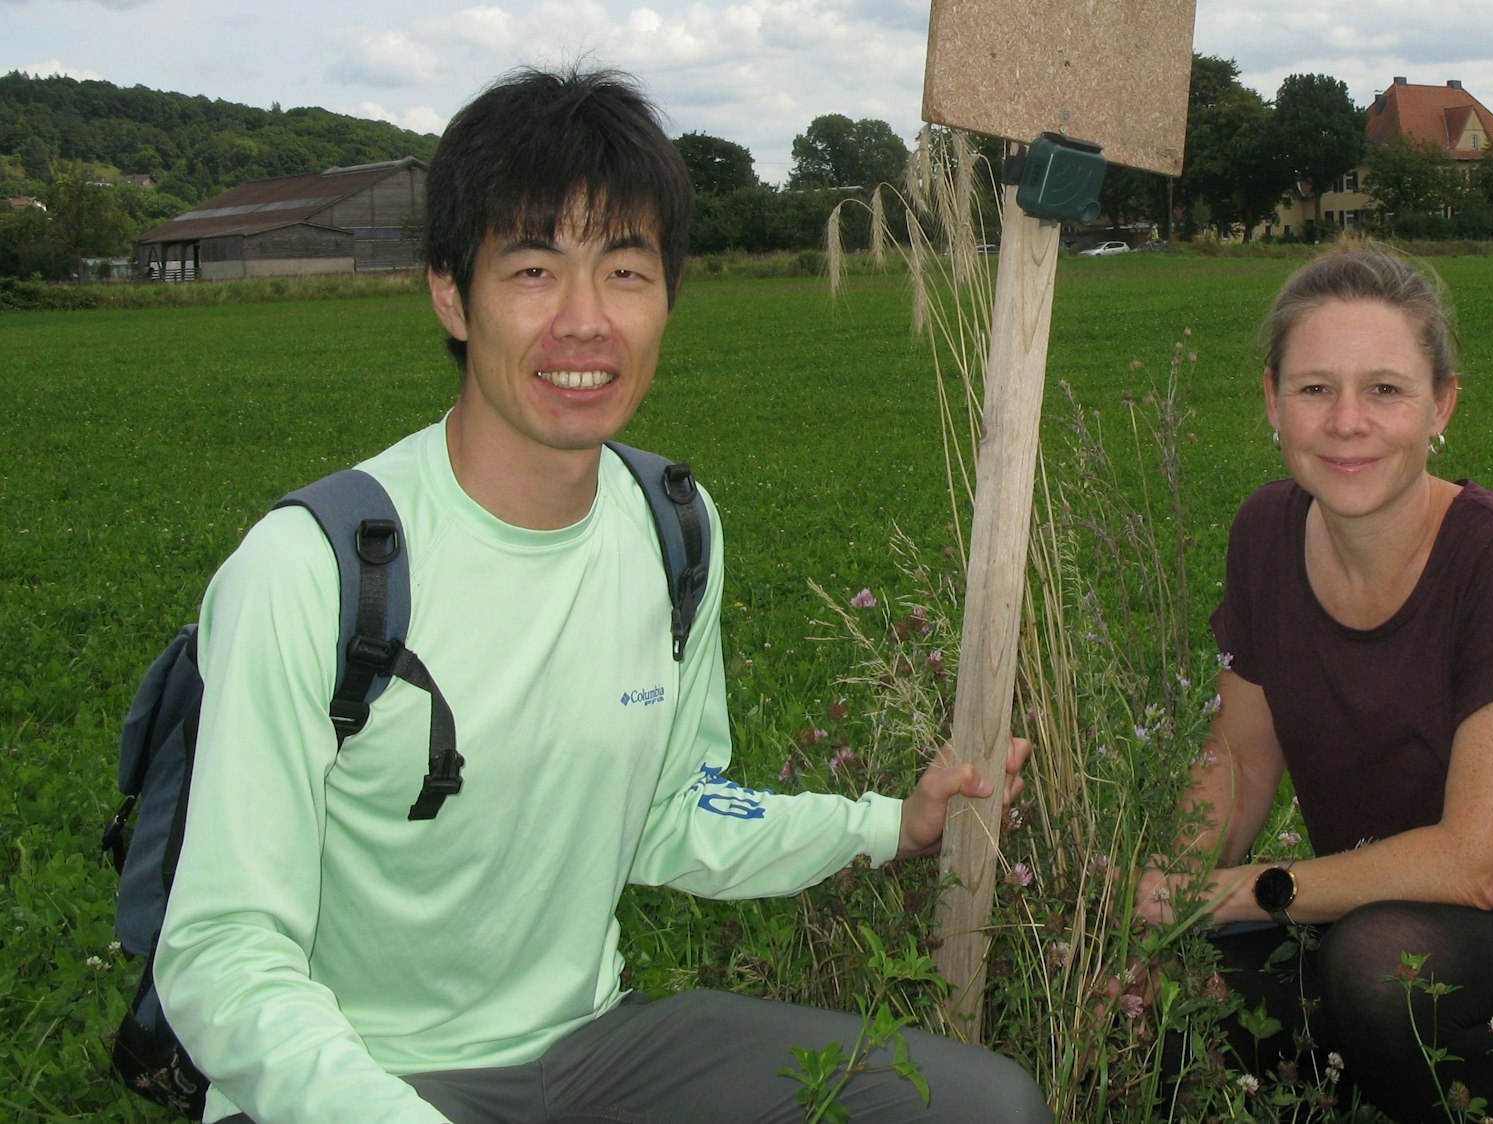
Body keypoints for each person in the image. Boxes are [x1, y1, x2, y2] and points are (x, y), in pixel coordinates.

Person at [154, 67, 1051, 1124]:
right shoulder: (314, 567)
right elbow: (221, 949)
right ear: (451, 290)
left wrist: (890, 822)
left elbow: (671, 813)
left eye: (625, 271)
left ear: (669, 291)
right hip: (356, 1071)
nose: (585, 323)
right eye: (533, 270)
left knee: (983, 1107)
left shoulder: (672, 526)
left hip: (592, 1051)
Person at [1134, 240, 1493, 1122]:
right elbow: (1236, 758)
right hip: (1364, 908)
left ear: (1441, 406)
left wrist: (1235, 895)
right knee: (1175, 1002)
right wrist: (1161, 916)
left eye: (1385, 389)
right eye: (1315, 388)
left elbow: (1478, 867)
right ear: (1273, 401)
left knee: (1383, 971)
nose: (1348, 421)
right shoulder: (1267, 532)